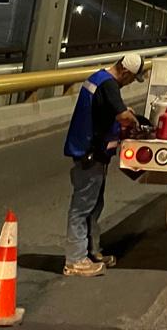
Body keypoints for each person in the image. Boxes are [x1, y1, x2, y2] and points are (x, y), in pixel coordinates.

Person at [62, 53, 144, 277]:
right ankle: (75, 260)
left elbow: (105, 110)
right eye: (132, 78)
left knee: (94, 205)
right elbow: (123, 116)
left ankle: (91, 252)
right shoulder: (109, 85)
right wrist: (135, 122)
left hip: (91, 152)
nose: (129, 83)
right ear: (125, 71)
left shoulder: (98, 78)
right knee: (82, 207)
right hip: (90, 154)